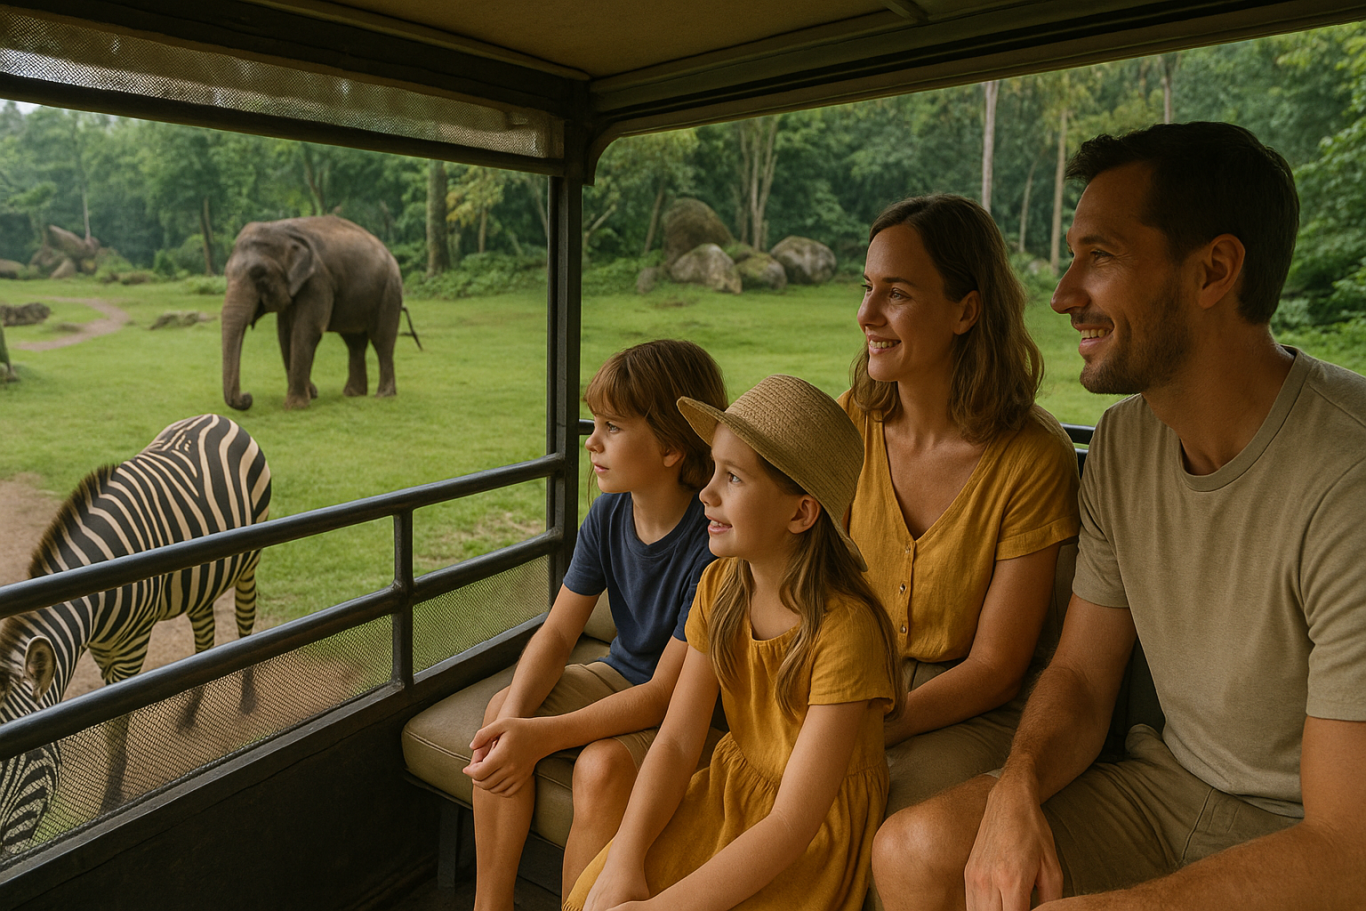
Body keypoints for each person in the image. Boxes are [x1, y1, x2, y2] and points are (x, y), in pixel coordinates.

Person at [872, 121, 1366, 911]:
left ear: (1214, 270)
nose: (1065, 294)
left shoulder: (1348, 473)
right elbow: (1077, 674)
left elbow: (1349, 848)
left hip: (1300, 834)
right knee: (914, 849)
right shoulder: (1125, 444)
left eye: (1099, 257)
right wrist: (1015, 787)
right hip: (1161, 791)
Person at [565, 374, 903, 911]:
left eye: (734, 479)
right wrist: (624, 859)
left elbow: (793, 823)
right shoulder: (721, 585)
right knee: (595, 893)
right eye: (713, 469)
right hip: (727, 789)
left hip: (802, 838)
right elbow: (676, 742)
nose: (706, 492)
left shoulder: (846, 631)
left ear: (800, 512)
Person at [844, 195, 1080, 851]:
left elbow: (999, 667)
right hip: (853, 678)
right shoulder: (849, 422)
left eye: (896, 294)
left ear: (966, 310)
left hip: (971, 708)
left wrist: (874, 724)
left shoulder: (1031, 456)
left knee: (870, 808)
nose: (866, 315)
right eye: (868, 289)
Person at [463, 338, 726, 909]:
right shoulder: (609, 512)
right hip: (618, 676)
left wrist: (538, 738)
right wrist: (513, 726)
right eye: (595, 423)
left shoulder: (712, 545)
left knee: (602, 768)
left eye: (613, 426)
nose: (592, 442)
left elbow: (664, 696)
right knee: (498, 713)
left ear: (672, 448)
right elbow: (558, 633)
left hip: (693, 714)